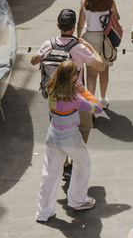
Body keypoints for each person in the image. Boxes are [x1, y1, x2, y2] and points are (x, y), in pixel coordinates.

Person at [35, 60, 103, 221]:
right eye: (77, 73)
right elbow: (98, 108)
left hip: (53, 134)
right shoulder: (75, 98)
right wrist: (85, 91)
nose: (78, 75)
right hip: (70, 136)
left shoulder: (50, 89)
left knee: (49, 173)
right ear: (72, 76)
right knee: (83, 164)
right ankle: (78, 200)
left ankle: (44, 211)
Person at [36, 8, 108, 144]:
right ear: (74, 26)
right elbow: (101, 66)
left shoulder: (49, 44)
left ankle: (65, 161)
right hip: (76, 96)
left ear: (58, 26)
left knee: (59, 130)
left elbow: (34, 60)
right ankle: (77, 156)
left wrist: (40, 54)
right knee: (85, 127)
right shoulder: (79, 47)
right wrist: (90, 47)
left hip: (54, 97)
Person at [79, 0, 121, 104]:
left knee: (91, 73)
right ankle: (103, 99)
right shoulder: (109, 1)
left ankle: (91, 103)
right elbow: (117, 18)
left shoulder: (85, 1)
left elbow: (80, 23)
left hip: (89, 38)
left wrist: (78, 38)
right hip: (105, 39)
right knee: (104, 70)